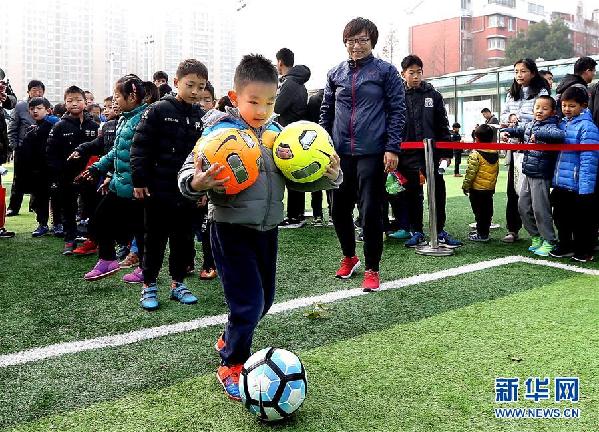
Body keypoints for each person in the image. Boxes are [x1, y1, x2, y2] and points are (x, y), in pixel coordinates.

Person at [178, 54, 341, 400]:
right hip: (230, 229)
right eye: (254, 102)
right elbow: (187, 173)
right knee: (248, 304)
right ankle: (231, 363)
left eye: (269, 102)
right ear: (235, 98)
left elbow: (296, 181)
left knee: (265, 300)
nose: (262, 110)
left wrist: (329, 176)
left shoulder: (277, 135)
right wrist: (197, 183)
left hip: (268, 230)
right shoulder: (220, 134)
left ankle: (228, 337)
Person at [320, 17, 405, 290]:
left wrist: (392, 148)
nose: (356, 46)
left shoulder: (386, 72)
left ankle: (372, 268)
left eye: (362, 40)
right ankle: (349, 257)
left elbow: (397, 112)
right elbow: (326, 113)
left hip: (373, 152)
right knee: (338, 209)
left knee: (370, 212)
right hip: (340, 154)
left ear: (372, 42)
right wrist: (323, 146)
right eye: (351, 40)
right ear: (345, 42)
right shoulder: (335, 74)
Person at [130, 59, 207, 310]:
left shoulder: (200, 116)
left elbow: (204, 155)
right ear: (176, 83)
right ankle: (148, 285)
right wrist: (139, 180)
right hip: (157, 189)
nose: (195, 91)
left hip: (186, 192)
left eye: (201, 86)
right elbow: (139, 146)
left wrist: (202, 189)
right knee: (154, 240)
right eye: (190, 85)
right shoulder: (158, 110)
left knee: (183, 240)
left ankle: (178, 284)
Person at [79, 75, 147, 280]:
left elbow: (143, 155)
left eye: (118, 95)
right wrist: (97, 168)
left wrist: (142, 181)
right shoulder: (124, 119)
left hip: (136, 188)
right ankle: (109, 260)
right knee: (100, 221)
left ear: (132, 95)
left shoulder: (144, 119)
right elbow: (117, 151)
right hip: (120, 184)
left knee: (139, 230)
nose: (115, 100)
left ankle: (146, 269)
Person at [399, 54, 462, 249]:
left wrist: (447, 152)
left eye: (419, 72)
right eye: (412, 73)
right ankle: (416, 231)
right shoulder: (396, 96)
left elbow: (442, 125)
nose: (416, 76)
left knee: (437, 192)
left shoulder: (433, 95)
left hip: (432, 154)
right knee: (412, 194)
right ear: (403, 74)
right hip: (407, 154)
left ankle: (440, 230)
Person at [500, 95, 564, 256]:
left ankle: (549, 240)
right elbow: (521, 130)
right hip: (528, 171)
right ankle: (536, 236)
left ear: (552, 111)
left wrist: (540, 135)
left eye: (544, 108)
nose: (539, 111)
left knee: (540, 209)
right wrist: (507, 131)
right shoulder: (531, 124)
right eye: (537, 107)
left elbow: (559, 135)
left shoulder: (552, 125)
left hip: (541, 174)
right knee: (522, 206)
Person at [500, 58, 550, 243]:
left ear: (533, 73)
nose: (519, 75)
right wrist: (509, 119)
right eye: (516, 72)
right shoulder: (511, 93)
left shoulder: (542, 92)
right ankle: (513, 229)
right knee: (512, 191)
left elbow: (542, 114)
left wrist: (519, 117)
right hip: (515, 148)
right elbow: (504, 115)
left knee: (534, 195)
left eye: (523, 71)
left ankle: (542, 235)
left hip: (534, 149)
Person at [47, 85, 99, 255]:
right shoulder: (60, 126)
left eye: (78, 100)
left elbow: (100, 150)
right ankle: (70, 238)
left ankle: (92, 239)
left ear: (86, 102)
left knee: (92, 206)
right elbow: (51, 153)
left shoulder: (94, 125)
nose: (74, 103)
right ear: (65, 103)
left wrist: (95, 170)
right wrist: (59, 173)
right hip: (66, 176)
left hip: (90, 175)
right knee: (68, 208)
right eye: (70, 101)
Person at [550, 86, 599, 262]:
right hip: (560, 183)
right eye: (564, 105)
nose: (567, 109)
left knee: (581, 221)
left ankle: (583, 250)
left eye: (572, 106)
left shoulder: (588, 127)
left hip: (578, 185)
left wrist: (585, 189)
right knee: (561, 218)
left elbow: (589, 160)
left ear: (583, 106)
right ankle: (565, 245)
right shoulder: (562, 123)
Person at [68, 95, 121, 256]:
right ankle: (97, 243)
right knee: (98, 210)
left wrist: (111, 173)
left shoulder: (134, 123)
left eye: (112, 105)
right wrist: (81, 149)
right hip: (107, 175)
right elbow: (99, 145)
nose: (109, 109)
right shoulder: (107, 126)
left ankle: (130, 249)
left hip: (122, 175)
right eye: (107, 106)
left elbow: (123, 153)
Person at [275, 47, 311, 228]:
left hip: (289, 133)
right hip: (297, 132)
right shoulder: (299, 84)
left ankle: (294, 216)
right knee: (294, 174)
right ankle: (297, 215)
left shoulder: (289, 84)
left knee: (291, 175)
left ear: (280, 62)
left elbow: (277, 108)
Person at [18, 97, 59, 237]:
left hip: (53, 170)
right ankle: (42, 224)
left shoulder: (55, 127)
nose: (35, 111)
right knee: (40, 199)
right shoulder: (31, 131)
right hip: (37, 172)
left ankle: (58, 224)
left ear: (48, 110)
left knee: (56, 197)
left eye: (39, 108)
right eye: (32, 109)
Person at [6, 79, 45, 217]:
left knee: (38, 178)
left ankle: (34, 207)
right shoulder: (20, 106)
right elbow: (12, 127)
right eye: (34, 89)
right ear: (28, 91)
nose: (37, 92)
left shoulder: (46, 105)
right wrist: (14, 146)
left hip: (40, 150)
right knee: (18, 179)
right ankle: (13, 207)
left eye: (40, 90)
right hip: (22, 149)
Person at [462, 124, 499, 241]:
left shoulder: (476, 154)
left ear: (476, 138)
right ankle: (484, 231)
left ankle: (481, 234)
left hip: (477, 189)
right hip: (489, 188)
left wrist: (465, 186)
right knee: (487, 211)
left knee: (479, 211)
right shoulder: (495, 152)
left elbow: (470, 173)